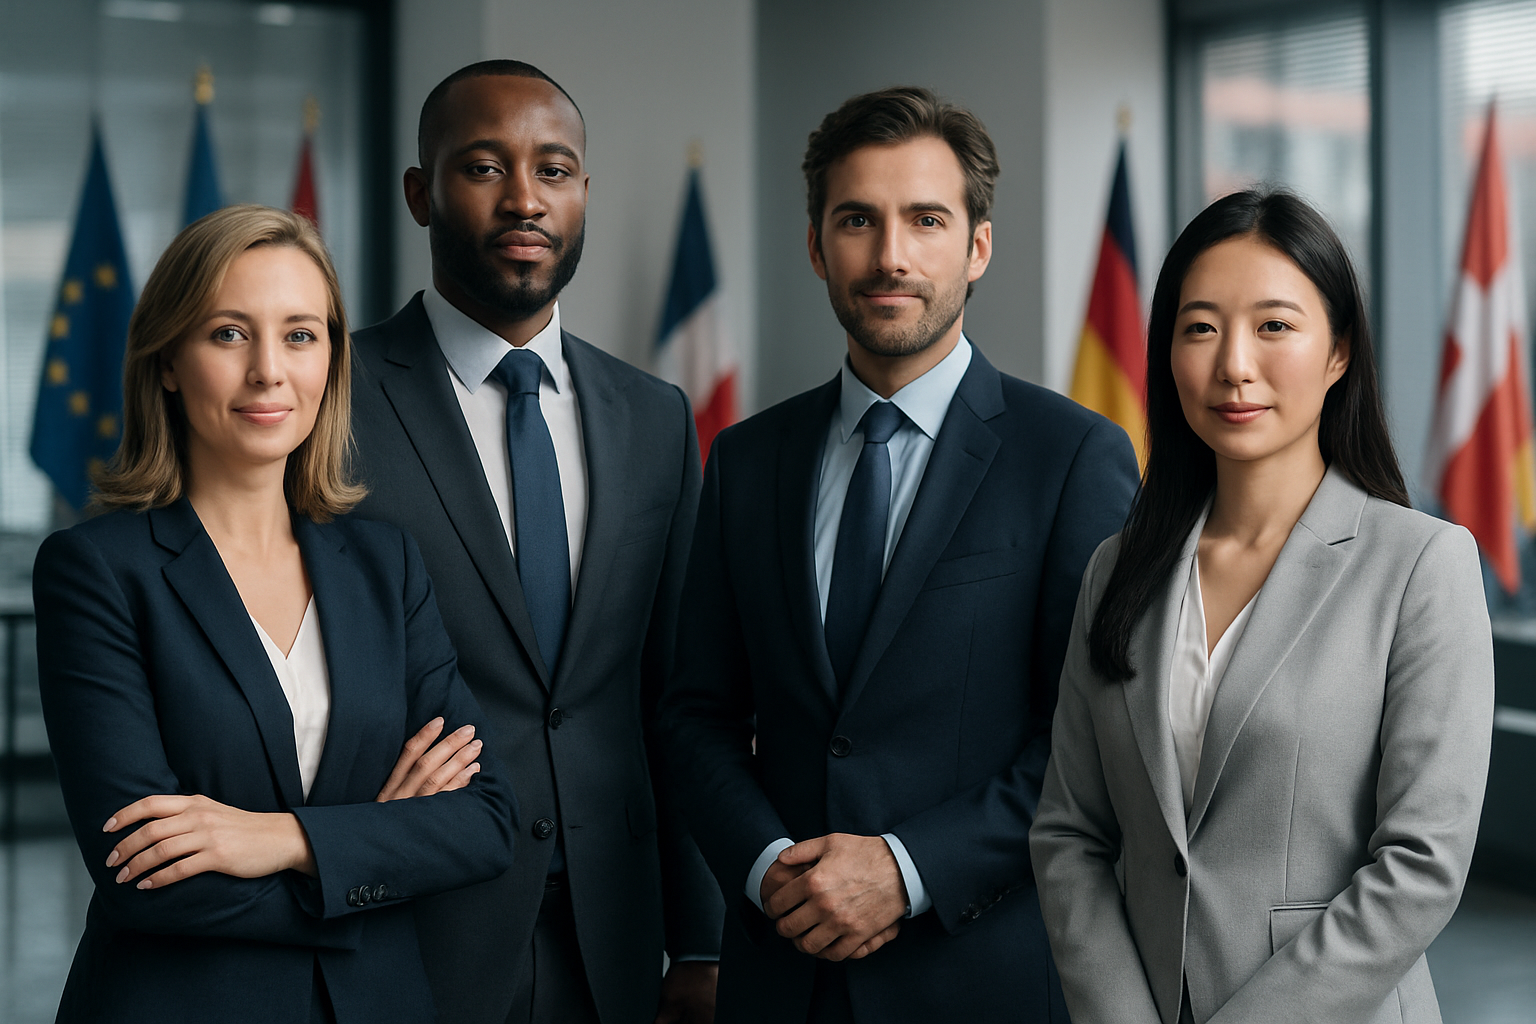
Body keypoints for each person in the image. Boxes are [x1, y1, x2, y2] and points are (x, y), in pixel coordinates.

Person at [659, 86, 1140, 1023]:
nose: (890, 256)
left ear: (978, 246)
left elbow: (1091, 742)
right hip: (781, 977)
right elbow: (695, 716)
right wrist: (770, 874)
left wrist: (905, 869)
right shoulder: (747, 459)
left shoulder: (1071, 456)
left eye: (926, 219)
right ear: (815, 246)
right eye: (857, 221)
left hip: (977, 975)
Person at [32, 205, 517, 1024]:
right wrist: (376, 848)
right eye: (228, 334)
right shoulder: (98, 572)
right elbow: (141, 879)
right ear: (168, 363)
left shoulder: (384, 565)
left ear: (332, 357)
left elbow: (484, 822)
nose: (269, 372)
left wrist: (280, 841)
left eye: (300, 335)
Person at [1028, 189, 1495, 1024]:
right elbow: (1071, 834)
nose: (1233, 365)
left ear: (1340, 352)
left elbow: (1422, 864)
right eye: (1200, 327)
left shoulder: (1423, 565)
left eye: (1274, 326)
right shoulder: (1117, 570)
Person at [349, 60, 722, 1024]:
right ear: (420, 194)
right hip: (413, 925)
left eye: (554, 170)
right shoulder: (328, 403)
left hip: (619, 932)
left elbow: (675, 698)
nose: (525, 199)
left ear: (584, 193)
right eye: (484, 167)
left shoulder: (654, 416)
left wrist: (703, 935)